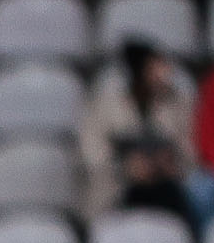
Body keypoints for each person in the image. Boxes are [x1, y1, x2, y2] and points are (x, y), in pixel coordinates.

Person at [81, 40, 198, 220]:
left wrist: (170, 164)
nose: (166, 73)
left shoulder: (178, 105)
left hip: (167, 187)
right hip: (118, 188)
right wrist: (126, 167)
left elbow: (191, 150)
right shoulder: (106, 106)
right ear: (141, 71)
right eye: (157, 67)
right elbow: (93, 154)